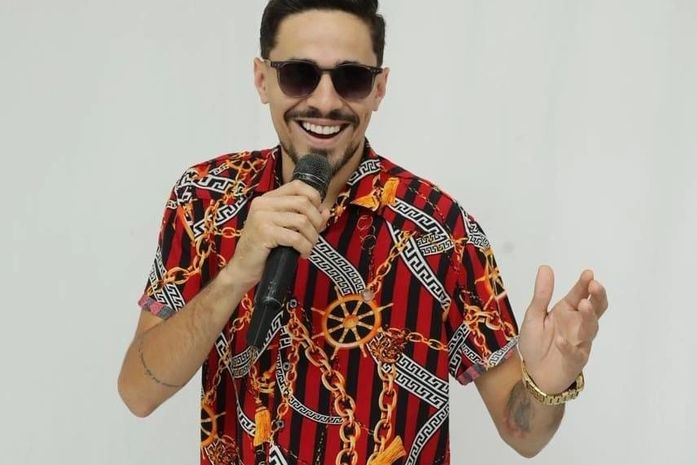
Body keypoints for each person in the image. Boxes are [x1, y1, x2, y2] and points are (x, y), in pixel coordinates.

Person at [117, 1, 609, 464]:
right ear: (262, 79)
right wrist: (234, 277)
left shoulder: (441, 229)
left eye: (351, 79)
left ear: (379, 88)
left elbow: (523, 433)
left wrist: (548, 384)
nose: (324, 101)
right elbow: (138, 392)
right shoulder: (205, 199)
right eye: (299, 74)